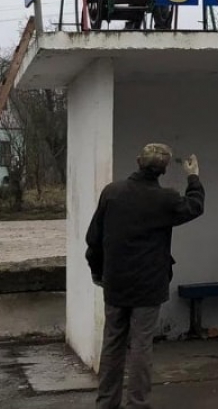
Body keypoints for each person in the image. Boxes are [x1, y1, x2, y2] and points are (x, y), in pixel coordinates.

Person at [85, 143, 205, 409]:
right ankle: (137, 403)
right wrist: (193, 177)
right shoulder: (167, 199)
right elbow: (195, 207)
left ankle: (106, 403)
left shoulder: (112, 193)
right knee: (141, 346)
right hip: (150, 285)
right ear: (162, 170)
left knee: (112, 343)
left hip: (115, 282)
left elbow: (93, 238)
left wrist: (97, 271)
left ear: (138, 161)